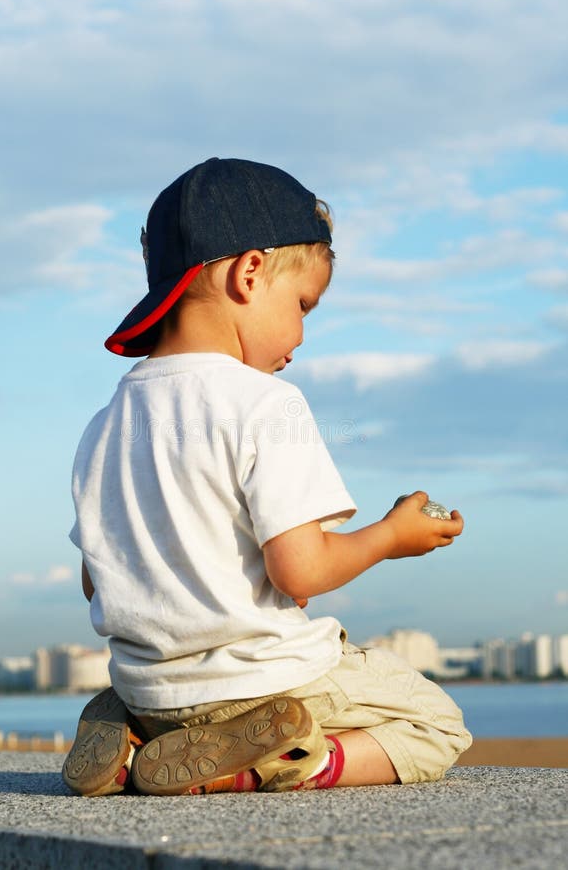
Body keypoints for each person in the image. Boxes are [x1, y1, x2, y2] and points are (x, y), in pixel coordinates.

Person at [63, 157, 472, 798]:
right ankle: (286, 760)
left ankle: (134, 735)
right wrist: (392, 536)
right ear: (250, 273)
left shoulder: (106, 423)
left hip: (150, 687)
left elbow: (99, 576)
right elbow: (301, 572)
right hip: (264, 683)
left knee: (163, 698)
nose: (302, 334)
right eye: (303, 304)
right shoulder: (264, 402)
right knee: (436, 724)